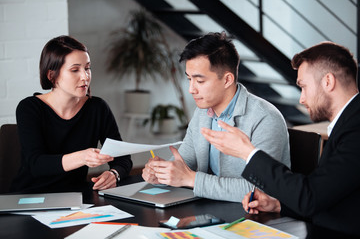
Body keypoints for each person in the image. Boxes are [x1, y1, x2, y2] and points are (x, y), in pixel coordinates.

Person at [201, 41, 360, 236]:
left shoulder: (355, 129)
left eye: (303, 87)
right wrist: (277, 205)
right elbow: (326, 195)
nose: (301, 99)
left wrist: (247, 151)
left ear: (328, 82)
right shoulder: (349, 121)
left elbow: (310, 198)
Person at [142, 32, 290, 202]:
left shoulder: (266, 118)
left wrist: (191, 179)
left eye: (200, 81)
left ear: (227, 80)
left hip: (255, 218)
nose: (191, 89)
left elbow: (260, 189)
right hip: (209, 208)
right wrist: (161, 173)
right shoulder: (203, 113)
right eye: (189, 79)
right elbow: (184, 165)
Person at [10, 36, 132, 194]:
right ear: (51, 76)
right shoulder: (29, 107)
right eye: (75, 70)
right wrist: (83, 157)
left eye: (87, 68)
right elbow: (36, 164)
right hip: (31, 196)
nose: (85, 76)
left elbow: (122, 158)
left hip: (75, 197)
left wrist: (114, 174)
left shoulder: (97, 108)